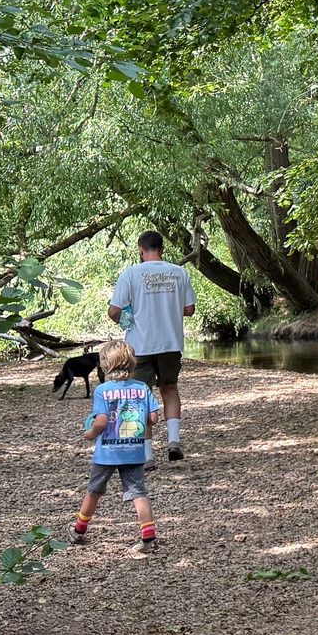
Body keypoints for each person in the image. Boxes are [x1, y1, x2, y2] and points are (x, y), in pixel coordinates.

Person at [109, 231, 196, 460]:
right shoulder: (178, 272)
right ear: (162, 249)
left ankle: (147, 455)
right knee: (170, 388)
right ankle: (174, 441)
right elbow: (189, 309)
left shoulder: (130, 274)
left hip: (140, 344)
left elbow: (114, 311)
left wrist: (126, 317)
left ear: (140, 250)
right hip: (170, 342)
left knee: (140, 396)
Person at [71, 342, 161, 552]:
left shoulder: (102, 390)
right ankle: (148, 538)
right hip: (134, 451)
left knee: (94, 490)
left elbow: (101, 422)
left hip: (107, 453)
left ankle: (79, 530)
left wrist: (90, 433)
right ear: (132, 363)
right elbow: (154, 418)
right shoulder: (142, 388)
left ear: (105, 365)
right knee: (138, 493)